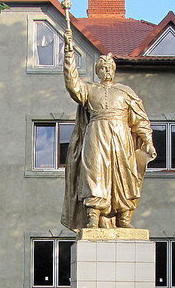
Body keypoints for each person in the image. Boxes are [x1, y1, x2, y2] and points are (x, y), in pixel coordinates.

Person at [61, 29, 156, 230]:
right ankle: (93, 216)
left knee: (124, 174)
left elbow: (140, 118)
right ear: (98, 71)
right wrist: (69, 52)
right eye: (103, 68)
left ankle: (124, 217)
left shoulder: (125, 91)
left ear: (113, 70)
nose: (107, 71)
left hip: (121, 136)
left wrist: (147, 139)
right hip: (96, 134)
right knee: (94, 172)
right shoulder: (89, 89)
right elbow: (72, 84)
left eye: (109, 67)